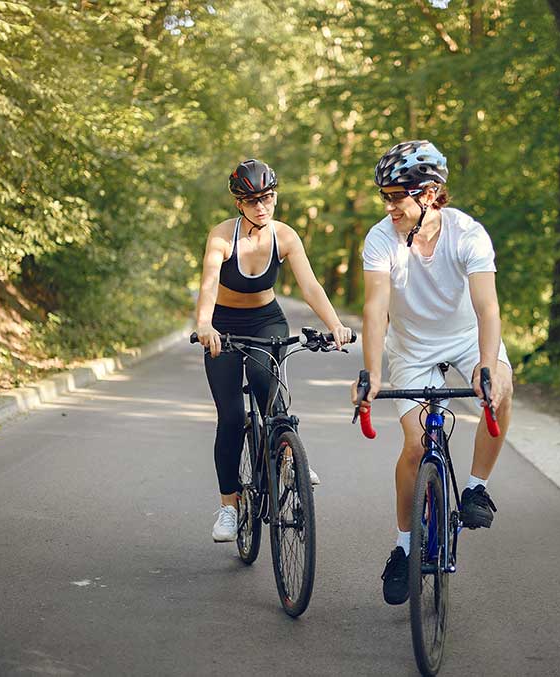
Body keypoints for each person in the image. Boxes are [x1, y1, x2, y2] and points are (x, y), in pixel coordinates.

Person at [351, 140, 513, 605]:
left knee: (501, 389)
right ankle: (404, 546)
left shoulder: (468, 234)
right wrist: (373, 373)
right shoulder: (381, 239)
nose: (389, 206)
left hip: (465, 334)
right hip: (412, 345)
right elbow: (376, 306)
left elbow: (487, 306)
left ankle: (477, 488)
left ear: (428, 194)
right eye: (384, 196)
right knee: (416, 443)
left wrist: (487, 364)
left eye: (396, 196)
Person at [195, 159, 353, 543]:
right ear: (239, 204)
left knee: (270, 387)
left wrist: (334, 324)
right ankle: (229, 508)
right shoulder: (221, 236)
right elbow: (209, 286)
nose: (261, 207)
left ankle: (286, 458)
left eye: (266, 198)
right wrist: (204, 325)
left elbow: (310, 286)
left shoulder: (285, 236)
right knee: (231, 417)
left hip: (267, 320)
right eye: (251, 201)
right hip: (225, 326)